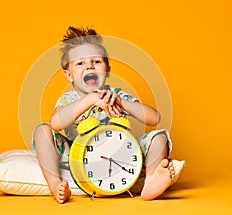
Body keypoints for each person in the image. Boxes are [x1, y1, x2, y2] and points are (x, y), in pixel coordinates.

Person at [33, 26, 177, 203]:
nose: (89, 66)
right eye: (80, 63)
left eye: (96, 61)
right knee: (41, 130)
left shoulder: (115, 94)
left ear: (107, 69)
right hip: (77, 157)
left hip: (120, 153)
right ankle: (55, 184)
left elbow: (154, 118)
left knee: (159, 137)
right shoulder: (70, 99)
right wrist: (91, 99)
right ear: (69, 75)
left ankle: (151, 182)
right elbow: (55, 122)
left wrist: (120, 102)